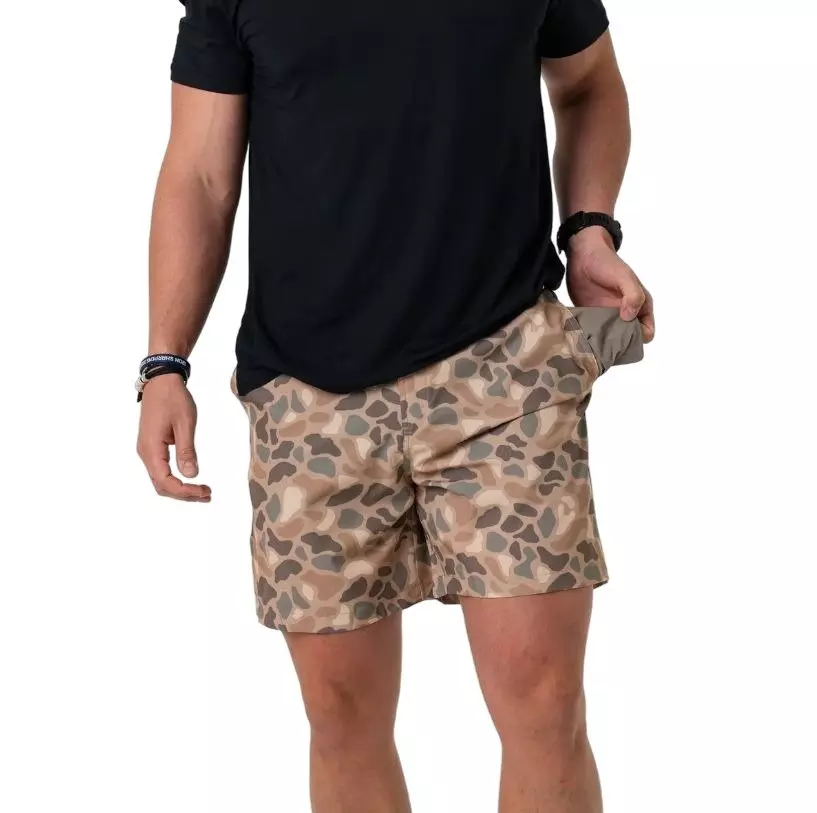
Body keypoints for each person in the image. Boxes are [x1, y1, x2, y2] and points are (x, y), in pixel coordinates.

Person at [137, 1, 654, 810]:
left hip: (503, 366)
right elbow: (200, 172)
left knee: (543, 701)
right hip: (308, 395)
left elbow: (588, 82)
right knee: (341, 717)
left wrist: (589, 229)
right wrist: (165, 361)